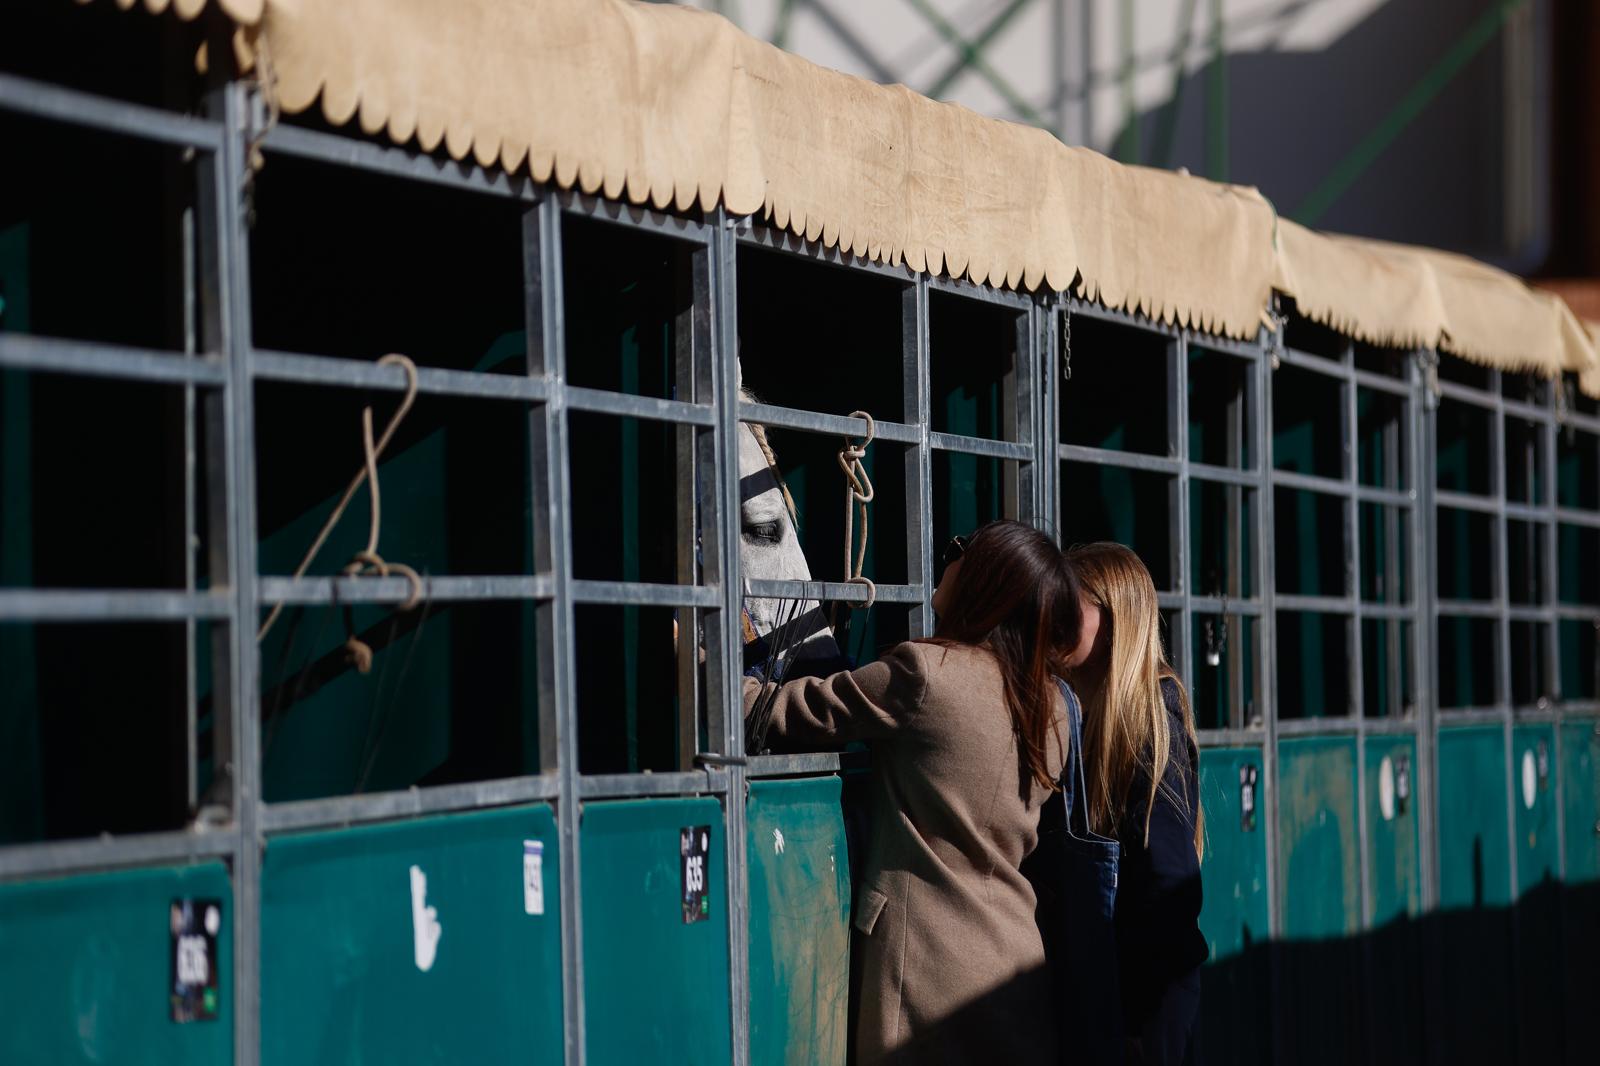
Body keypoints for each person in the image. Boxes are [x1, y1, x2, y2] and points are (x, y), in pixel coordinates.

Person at [743, 520, 1082, 1066]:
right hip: (1014, 959)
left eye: (959, 550)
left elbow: (792, 711)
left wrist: (714, 680)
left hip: (924, 969)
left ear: (983, 580)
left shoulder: (928, 675)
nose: (946, 559)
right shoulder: (1054, 706)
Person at [1064, 542, 1208, 1065]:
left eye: (1068, 606)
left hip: (1145, 1021)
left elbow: (1169, 888)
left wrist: (1144, 1028)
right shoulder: (1082, 714)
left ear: (1114, 619)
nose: (1051, 620)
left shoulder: (1148, 727)